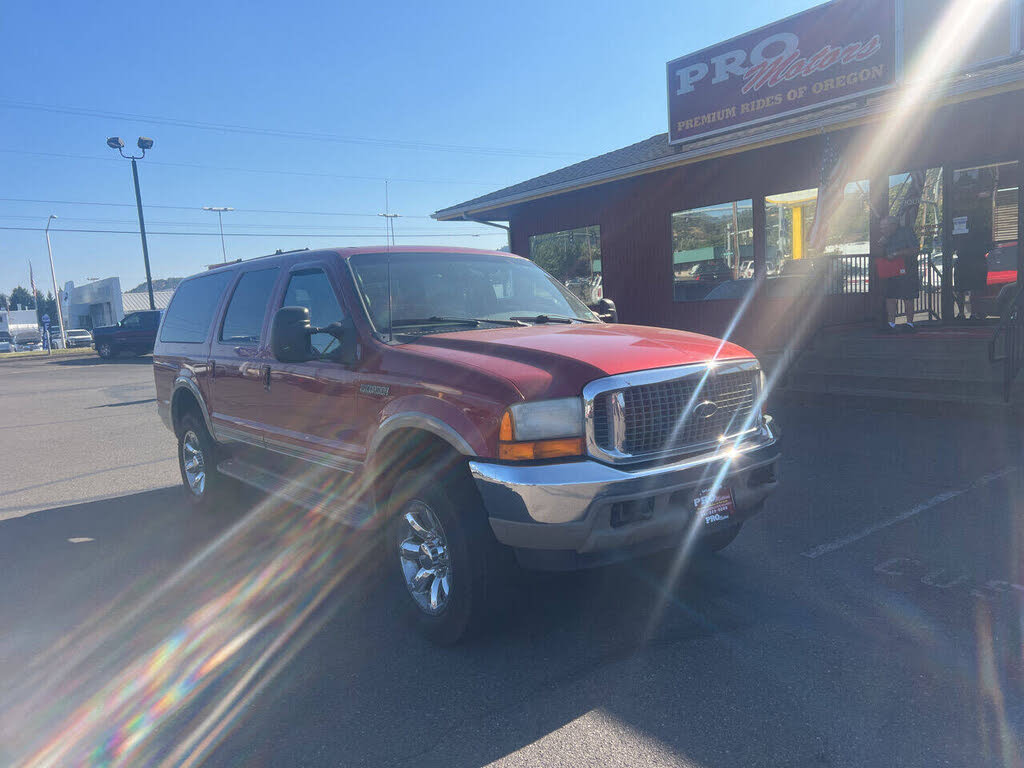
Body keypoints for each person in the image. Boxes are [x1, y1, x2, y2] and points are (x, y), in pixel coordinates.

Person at [878, 216, 919, 332]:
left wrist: (897, 254)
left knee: (907, 296)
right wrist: (881, 244)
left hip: (907, 268)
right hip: (891, 269)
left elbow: (915, 249)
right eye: (881, 228)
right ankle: (891, 323)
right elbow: (882, 252)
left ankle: (910, 323)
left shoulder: (906, 232)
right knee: (890, 295)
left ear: (893, 225)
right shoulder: (886, 237)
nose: (882, 230)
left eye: (884, 227)